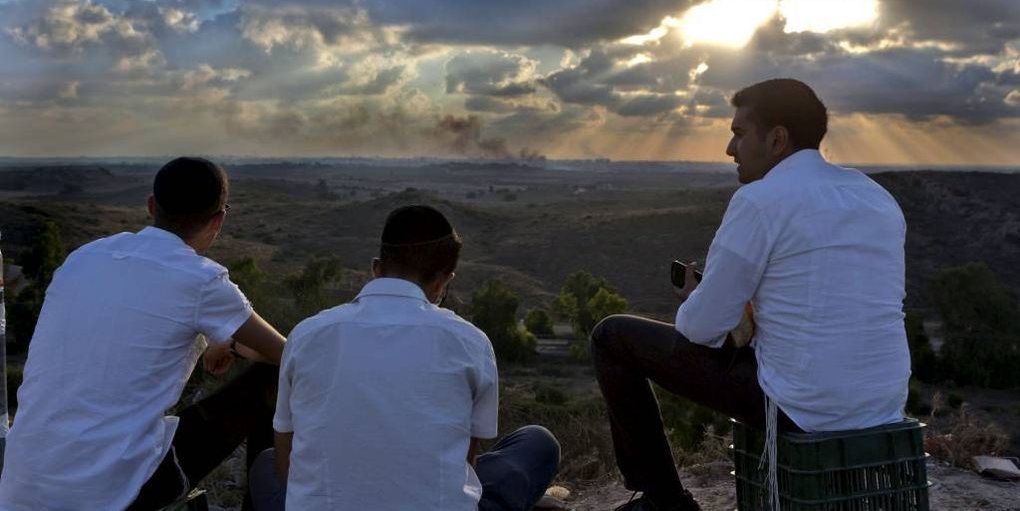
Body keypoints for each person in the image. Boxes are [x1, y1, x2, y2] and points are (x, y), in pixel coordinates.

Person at [591, 79, 910, 511]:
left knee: (612, 336)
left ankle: (664, 500)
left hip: (803, 408)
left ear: (777, 139)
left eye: (739, 134)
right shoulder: (878, 199)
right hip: (882, 405)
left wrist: (694, 300)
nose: (729, 148)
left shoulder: (759, 201)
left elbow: (701, 330)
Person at [0, 157, 287, 511]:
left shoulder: (84, 257)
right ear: (219, 220)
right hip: (109, 496)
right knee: (273, 379)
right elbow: (286, 354)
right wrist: (232, 344)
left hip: (21, 486)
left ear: (151, 206)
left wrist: (222, 341)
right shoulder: (202, 281)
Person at [249, 204, 560, 511]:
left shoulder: (307, 334)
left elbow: (286, 463)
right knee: (537, 443)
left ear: (376, 269)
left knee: (265, 465)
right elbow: (465, 464)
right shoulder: (470, 342)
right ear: (442, 281)